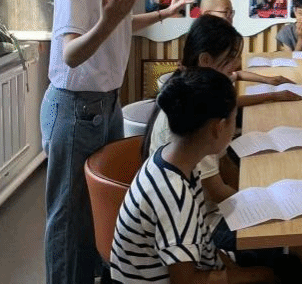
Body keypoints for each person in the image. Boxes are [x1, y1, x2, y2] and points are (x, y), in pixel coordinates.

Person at [40, 0, 197, 284]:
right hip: (75, 106)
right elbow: (71, 53)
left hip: (105, 104)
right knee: (68, 215)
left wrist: (164, 12)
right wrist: (108, 21)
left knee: (95, 209)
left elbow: (121, 24)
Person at [111, 67, 276, 284]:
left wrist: (241, 272)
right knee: (280, 269)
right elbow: (185, 281)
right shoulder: (176, 195)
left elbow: (205, 248)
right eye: (234, 119)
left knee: (280, 265)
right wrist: (258, 275)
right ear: (218, 128)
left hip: (193, 262)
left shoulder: (174, 160)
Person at [198, 0, 300, 97]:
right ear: (207, 14)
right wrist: (272, 96)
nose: (230, 18)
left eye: (231, 13)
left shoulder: (222, 40)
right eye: (226, 12)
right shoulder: (202, 46)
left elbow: (234, 74)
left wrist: (268, 79)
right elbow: (225, 103)